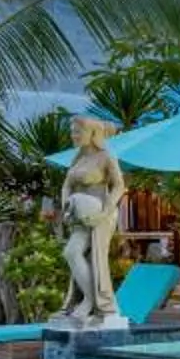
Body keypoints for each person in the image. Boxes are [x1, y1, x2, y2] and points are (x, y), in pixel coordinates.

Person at [58, 116, 124, 325]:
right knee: (72, 252)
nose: (74, 136)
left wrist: (105, 212)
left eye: (78, 131)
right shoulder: (78, 158)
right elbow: (66, 185)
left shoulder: (105, 157)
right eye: (73, 131)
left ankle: (93, 302)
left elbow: (119, 186)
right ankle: (88, 298)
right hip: (79, 214)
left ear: (92, 134)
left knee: (91, 256)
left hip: (100, 214)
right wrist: (65, 206)